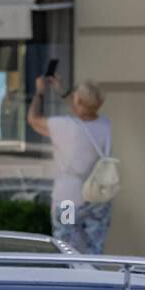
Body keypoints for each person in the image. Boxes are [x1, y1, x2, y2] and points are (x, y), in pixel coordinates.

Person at [27, 77, 112, 253]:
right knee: (93, 248)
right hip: (96, 198)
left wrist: (40, 92)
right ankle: (93, 278)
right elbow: (85, 110)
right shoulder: (105, 125)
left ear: (78, 101)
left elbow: (33, 119)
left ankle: (70, 276)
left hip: (67, 198)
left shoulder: (65, 126)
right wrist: (63, 91)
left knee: (66, 245)